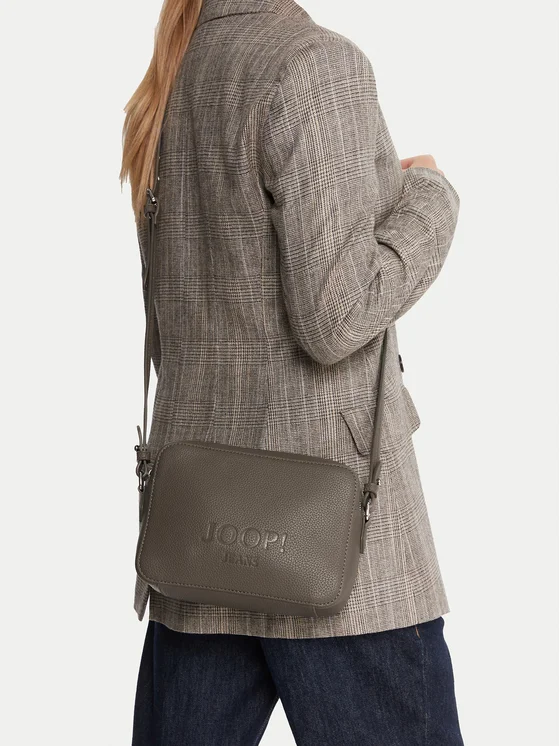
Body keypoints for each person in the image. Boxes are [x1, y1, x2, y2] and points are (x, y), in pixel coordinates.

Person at [120, 0, 464, 743]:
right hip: (337, 545)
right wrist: (431, 200)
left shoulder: (183, 66)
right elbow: (337, 316)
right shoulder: (314, 65)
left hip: (200, 536)